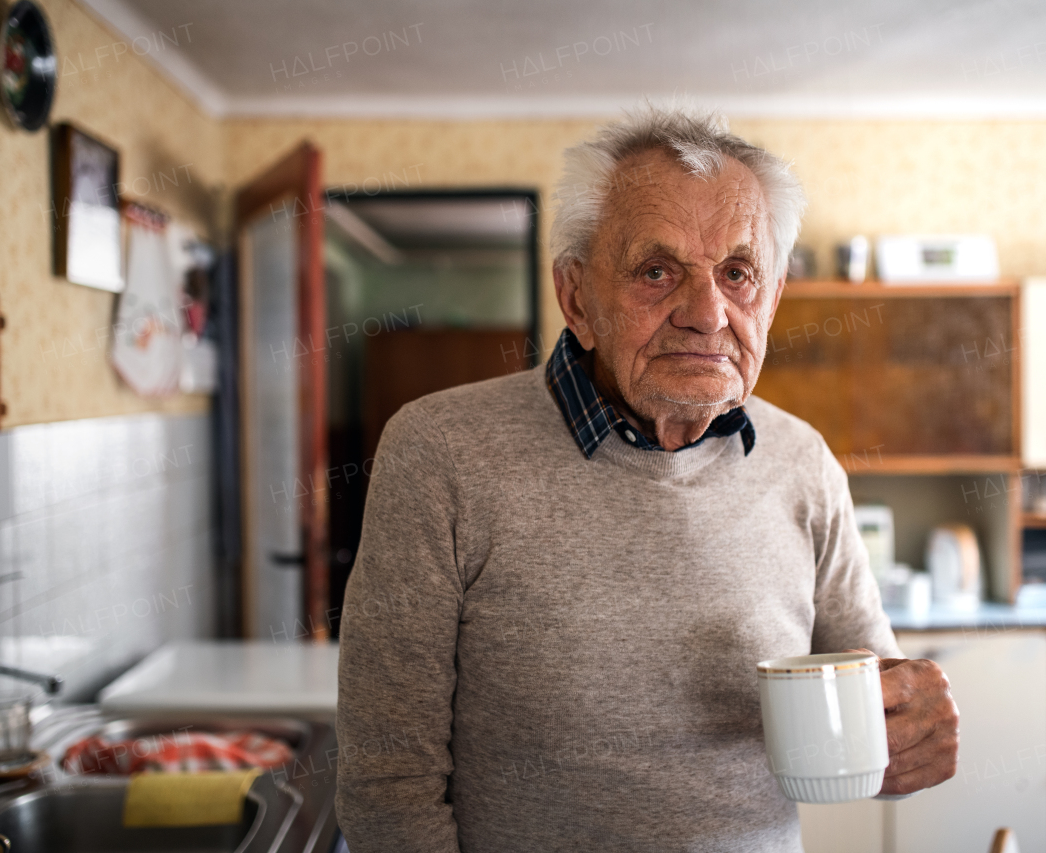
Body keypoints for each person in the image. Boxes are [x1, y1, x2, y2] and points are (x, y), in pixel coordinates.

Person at [335, 104, 959, 852]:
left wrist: (907, 725)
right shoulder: (439, 452)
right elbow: (386, 783)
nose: (707, 313)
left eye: (738, 272)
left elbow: (870, 693)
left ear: (773, 294)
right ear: (577, 298)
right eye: (657, 272)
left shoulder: (805, 461)